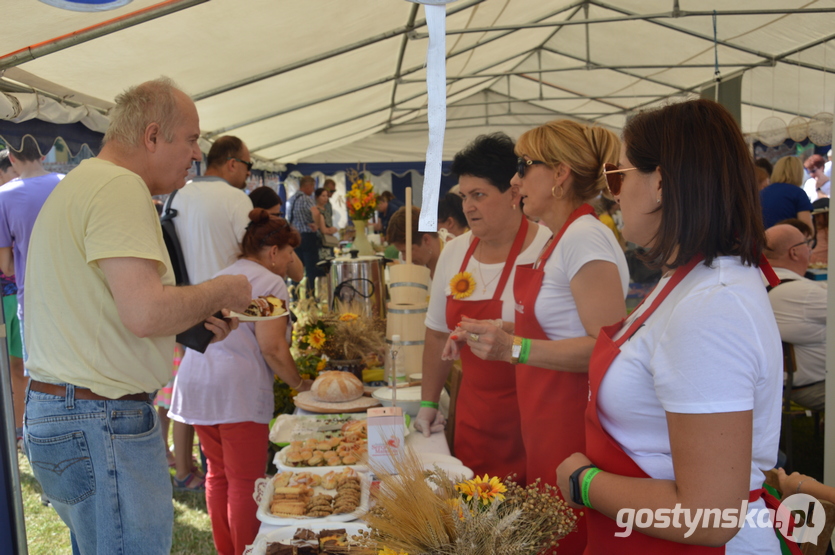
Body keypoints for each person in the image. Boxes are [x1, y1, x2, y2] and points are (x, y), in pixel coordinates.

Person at [23, 77, 251, 555]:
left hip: (72, 412)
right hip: (100, 418)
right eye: (190, 139)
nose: (195, 153)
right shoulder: (119, 187)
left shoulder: (85, 183)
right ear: (152, 136)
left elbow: (113, 308)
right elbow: (145, 313)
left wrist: (199, 312)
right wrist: (223, 288)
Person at [555, 98, 788, 553]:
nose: (613, 193)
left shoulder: (711, 308)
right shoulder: (689, 280)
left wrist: (584, 483)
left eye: (618, 176)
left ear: (659, 182)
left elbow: (709, 516)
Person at [452, 120, 630, 555]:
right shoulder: (560, 238)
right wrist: (505, 330)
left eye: (524, 166)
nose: (516, 180)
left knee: (568, 540)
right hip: (543, 423)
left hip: (572, 425)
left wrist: (513, 347)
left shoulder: (586, 239)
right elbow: (558, 327)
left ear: (560, 174)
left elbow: (607, 348)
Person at [169, 208, 312, 555]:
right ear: (273, 252)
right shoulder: (272, 282)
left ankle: (229, 551)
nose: (291, 261)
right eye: (290, 253)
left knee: (218, 476)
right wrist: (301, 386)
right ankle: (247, 550)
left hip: (199, 384)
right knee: (246, 482)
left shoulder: (226, 272)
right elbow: (274, 347)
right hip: (236, 391)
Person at [416, 133, 551, 485]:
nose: (468, 207)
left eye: (479, 195)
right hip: (475, 417)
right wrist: (428, 404)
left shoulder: (547, 248)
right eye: (464, 196)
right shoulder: (454, 252)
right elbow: (435, 333)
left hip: (534, 420)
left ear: (513, 193)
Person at [170, 135, 254, 285]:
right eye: (248, 165)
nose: (248, 173)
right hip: (227, 300)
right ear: (232, 164)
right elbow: (255, 256)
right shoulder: (236, 198)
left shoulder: (176, 197)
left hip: (185, 299)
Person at [764, 224, 825, 411]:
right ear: (794, 252)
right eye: (807, 243)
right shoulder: (800, 293)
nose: (810, 249)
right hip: (816, 385)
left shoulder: (759, 282)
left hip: (783, 383)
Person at [0, 148, 24, 447]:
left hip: (16, 295)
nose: (19, 178)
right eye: (13, 172)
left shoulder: (14, 201)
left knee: (18, 367)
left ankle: (18, 430)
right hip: (7, 295)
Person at [249, 186, 303, 282]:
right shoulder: (248, 237)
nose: (277, 219)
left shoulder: (274, 235)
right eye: (274, 215)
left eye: (279, 215)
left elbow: (298, 275)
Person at [387, 206, 443, 278]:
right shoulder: (404, 259)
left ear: (426, 240)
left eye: (406, 251)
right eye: (401, 251)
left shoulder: (454, 257)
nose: (404, 258)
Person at [760, 156, 813, 229]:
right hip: (789, 238)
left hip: (763, 237)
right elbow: (807, 229)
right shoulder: (798, 193)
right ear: (799, 173)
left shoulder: (762, 193)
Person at [287, 175, 319, 296]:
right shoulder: (306, 198)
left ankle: (295, 296)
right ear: (308, 186)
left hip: (295, 236)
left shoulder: (291, 199)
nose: (313, 190)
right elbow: (315, 212)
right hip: (307, 236)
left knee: (296, 268)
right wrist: (316, 225)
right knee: (311, 269)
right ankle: (310, 296)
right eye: (313, 187)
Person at [810, 198, 828, 265]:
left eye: (818, 216)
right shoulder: (816, 230)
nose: (816, 219)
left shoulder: (829, 231)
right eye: (814, 216)